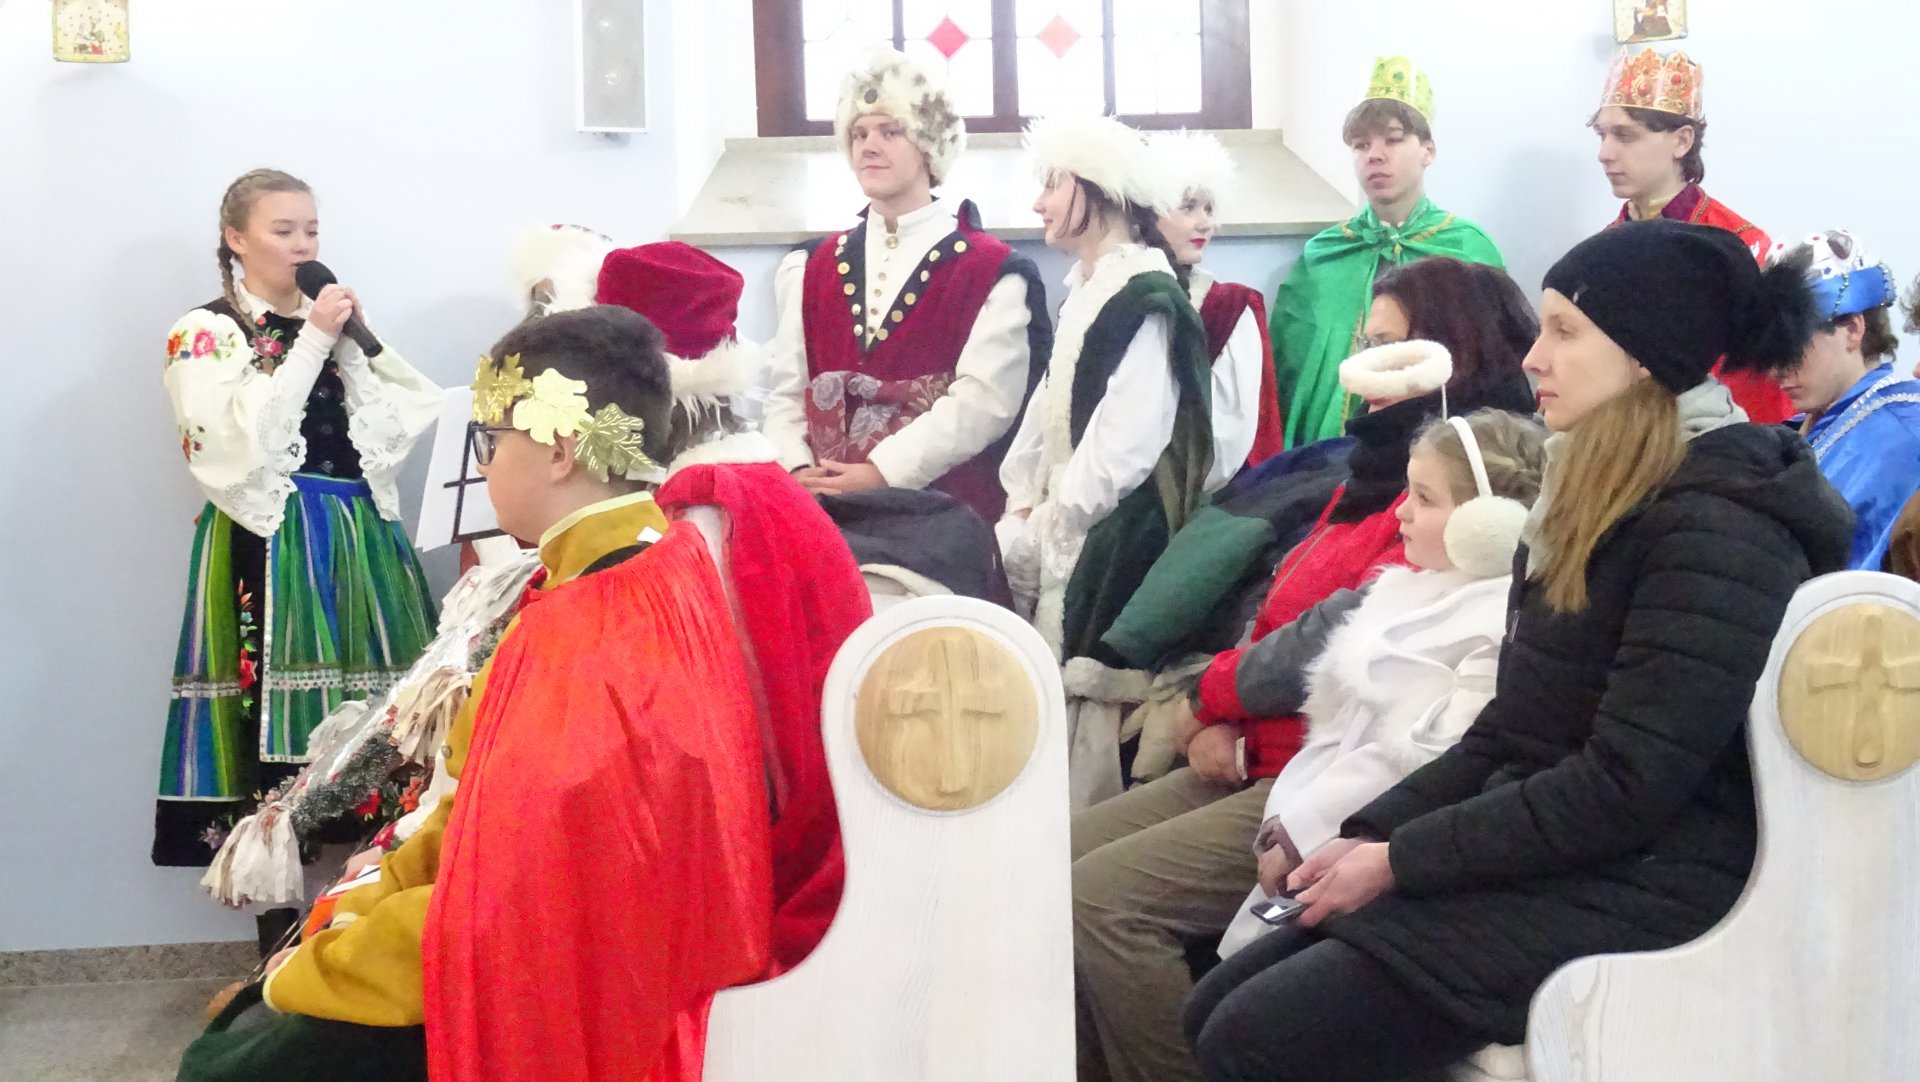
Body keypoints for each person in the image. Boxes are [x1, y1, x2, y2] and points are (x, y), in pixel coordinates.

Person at [1182, 220, 1853, 1082]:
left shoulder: (1723, 525)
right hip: (1564, 851)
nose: (1535, 357)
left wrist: (1402, 862)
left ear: (1645, 357)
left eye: (1565, 331)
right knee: (1214, 1006)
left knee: (1256, 1037)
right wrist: (1370, 835)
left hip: (1652, 882)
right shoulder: (1602, 490)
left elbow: (1626, 785)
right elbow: (1513, 729)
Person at [1070, 260, 1539, 1082]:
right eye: (1364, 343)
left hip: (1307, 779)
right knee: (1056, 857)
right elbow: (1287, 609)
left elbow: (1352, 668)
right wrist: (1221, 710)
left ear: (1450, 353)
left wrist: (1214, 701)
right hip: (1266, 746)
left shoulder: (1467, 510)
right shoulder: (1378, 472)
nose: (1364, 371)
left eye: (1391, 349)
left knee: (1101, 902)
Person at [155, 168, 441, 874]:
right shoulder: (209, 330)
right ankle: (274, 903)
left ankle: (365, 893)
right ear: (236, 239)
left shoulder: (331, 321)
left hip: (359, 529)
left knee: (388, 717)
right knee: (269, 724)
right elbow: (239, 442)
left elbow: (405, 410)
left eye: (310, 230)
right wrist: (314, 340)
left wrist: (350, 344)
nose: (302, 244)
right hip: (276, 534)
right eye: (282, 230)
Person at [997, 112, 1213, 807]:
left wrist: (1057, 522)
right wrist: (1022, 496)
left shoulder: (1145, 295)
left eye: (1052, 184)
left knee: (1088, 713)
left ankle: (1080, 851)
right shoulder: (1088, 289)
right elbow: (1049, 407)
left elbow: (1127, 442)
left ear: (1100, 189)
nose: (1039, 204)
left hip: (1111, 535)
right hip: (1062, 520)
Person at [763, 47, 1050, 522]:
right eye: (859, 134)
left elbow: (985, 403)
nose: (868, 146)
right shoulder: (810, 266)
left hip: (938, 515)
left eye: (890, 131)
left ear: (929, 145)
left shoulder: (991, 270)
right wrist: (797, 471)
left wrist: (882, 471)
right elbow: (787, 394)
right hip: (819, 513)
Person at [1270, 56, 1504, 448]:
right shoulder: (1323, 256)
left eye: (1392, 139)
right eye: (1361, 145)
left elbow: (1493, 366)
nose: (1374, 155)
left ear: (1428, 150)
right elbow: (1289, 369)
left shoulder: (1465, 249)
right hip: (1328, 453)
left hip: (1437, 445)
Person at [1592, 46, 1793, 423]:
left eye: (1624, 135)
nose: (1604, 152)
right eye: (1602, 135)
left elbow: (1755, 385)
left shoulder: (1742, 247)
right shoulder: (1599, 251)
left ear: (1682, 141)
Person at [1768, 231, 1920, 571]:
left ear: (1852, 328)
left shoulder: (1906, 436)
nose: (1776, 368)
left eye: (1792, 345)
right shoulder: (1789, 433)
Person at [1147, 129, 1285, 487]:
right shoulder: (1101, 296)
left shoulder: (1230, 306)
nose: (1205, 223)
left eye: (1208, 209)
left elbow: (1234, 431)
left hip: (1202, 494)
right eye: (1188, 206)